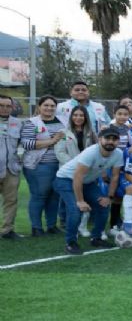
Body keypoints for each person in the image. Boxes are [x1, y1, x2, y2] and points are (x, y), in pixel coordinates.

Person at [53, 126, 124, 254]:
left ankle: (96, 238)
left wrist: (109, 197)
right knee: (75, 209)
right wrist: (80, 201)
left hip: (86, 182)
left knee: (104, 205)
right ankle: (71, 243)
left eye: (114, 139)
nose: (111, 141)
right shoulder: (91, 152)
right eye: (107, 138)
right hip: (65, 179)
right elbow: (77, 176)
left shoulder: (118, 154)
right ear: (100, 139)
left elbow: (115, 176)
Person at [21, 96, 67, 236]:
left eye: (52, 105)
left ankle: (51, 226)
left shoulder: (63, 120)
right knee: (39, 196)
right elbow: (27, 143)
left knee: (54, 196)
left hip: (59, 165)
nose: (49, 108)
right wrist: (52, 140)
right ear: (39, 107)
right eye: (46, 105)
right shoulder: (32, 123)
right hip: (39, 165)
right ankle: (36, 228)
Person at [0, 95, 23, 239]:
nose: (5, 108)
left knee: (11, 200)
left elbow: (22, 143)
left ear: (12, 107)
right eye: (1, 105)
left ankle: (7, 230)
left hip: (11, 169)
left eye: (8, 106)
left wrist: (20, 155)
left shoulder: (18, 123)